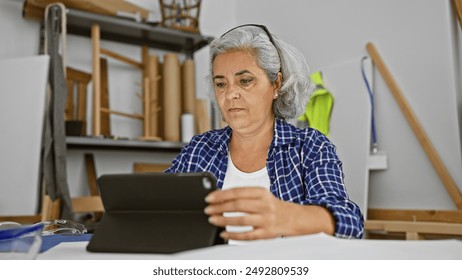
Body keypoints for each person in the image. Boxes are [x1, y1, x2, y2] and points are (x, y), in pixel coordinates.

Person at [165, 24, 364, 242]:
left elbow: (351, 223)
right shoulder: (199, 149)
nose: (230, 93)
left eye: (245, 81)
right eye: (221, 83)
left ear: (276, 84)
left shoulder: (310, 147)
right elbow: (157, 208)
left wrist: (288, 217)